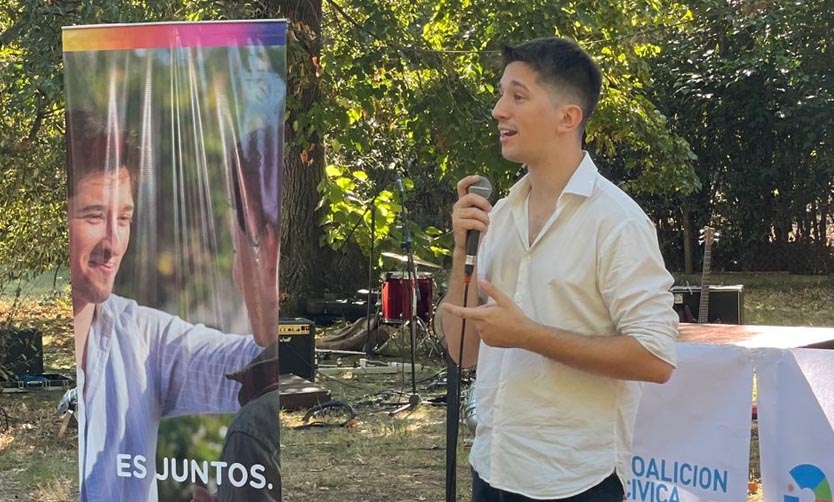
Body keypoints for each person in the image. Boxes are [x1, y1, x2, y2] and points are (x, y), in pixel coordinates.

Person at [438, 37, 679, 501]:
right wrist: (461, 250)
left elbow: (655, 358)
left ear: (568, 118)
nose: (498, 111)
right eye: (501, 95)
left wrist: (528, 335)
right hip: (494, 466)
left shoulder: (617, 222)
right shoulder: (500, 216)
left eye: (518, 96)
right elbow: (462, 350)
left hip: (575, 480)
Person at [66, 109, 281, 501]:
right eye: (94, 216)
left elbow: (257, 362)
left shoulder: (143, 339)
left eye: (124, 218)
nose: (113, 243)